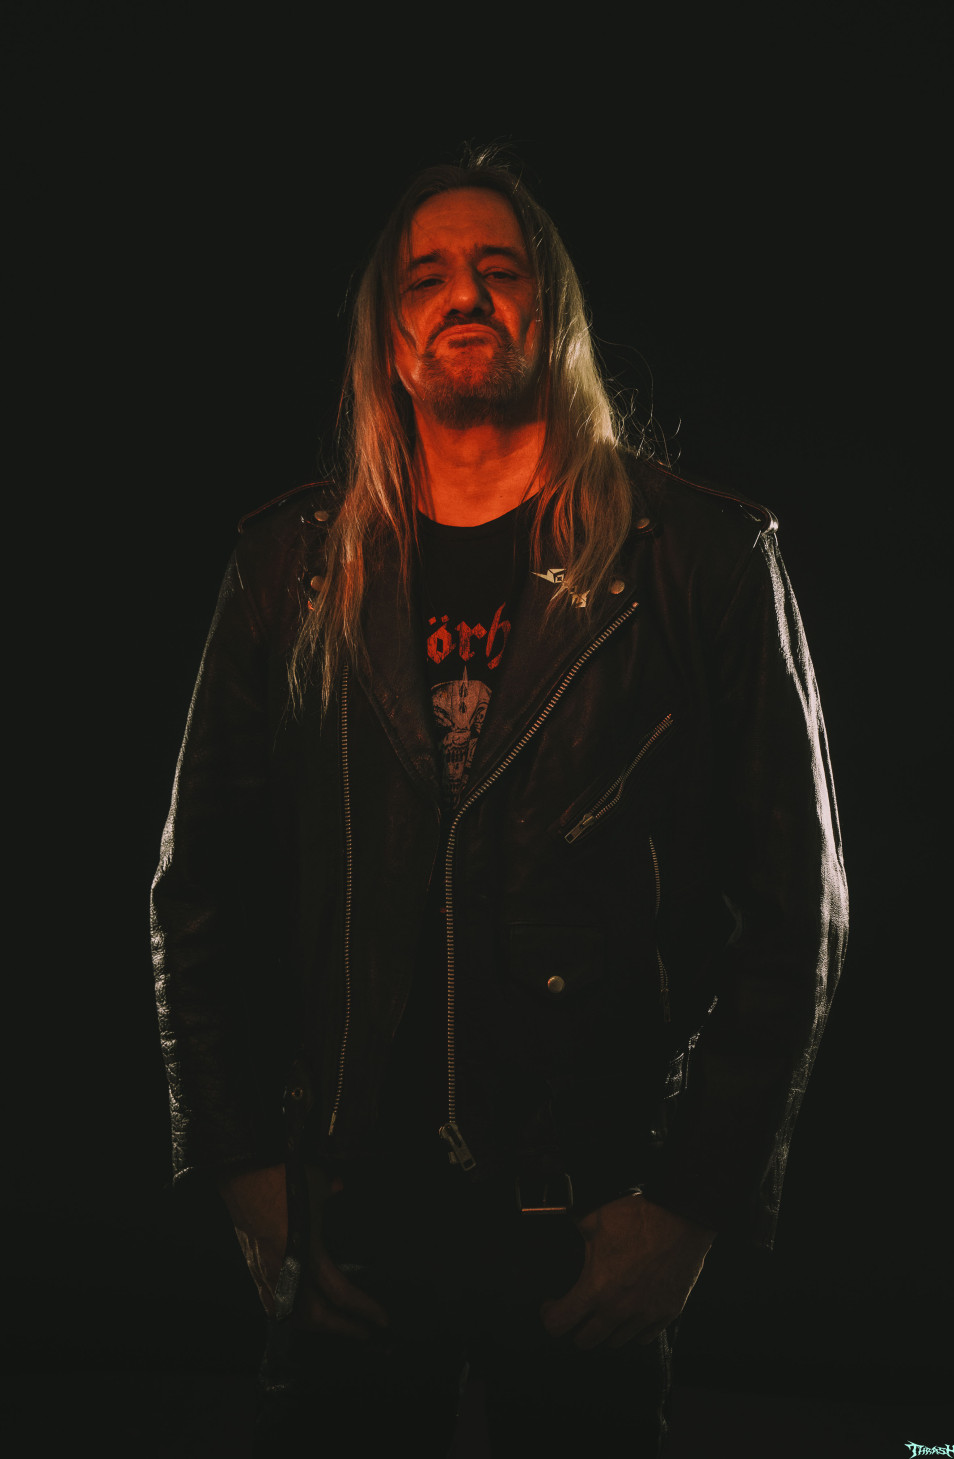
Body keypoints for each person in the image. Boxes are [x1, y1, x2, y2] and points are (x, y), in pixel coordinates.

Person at [151, 149, 848, 1457]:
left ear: (554, 309)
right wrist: (247, 1176)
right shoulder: (288, 567)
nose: (463, 294)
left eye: (498, 268)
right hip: (350, 1214)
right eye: (425, 276)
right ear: (389, 335)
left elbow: (796, 910)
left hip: (589, 1214)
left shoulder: (700, 559)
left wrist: (688, 1205)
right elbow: (199, 895)